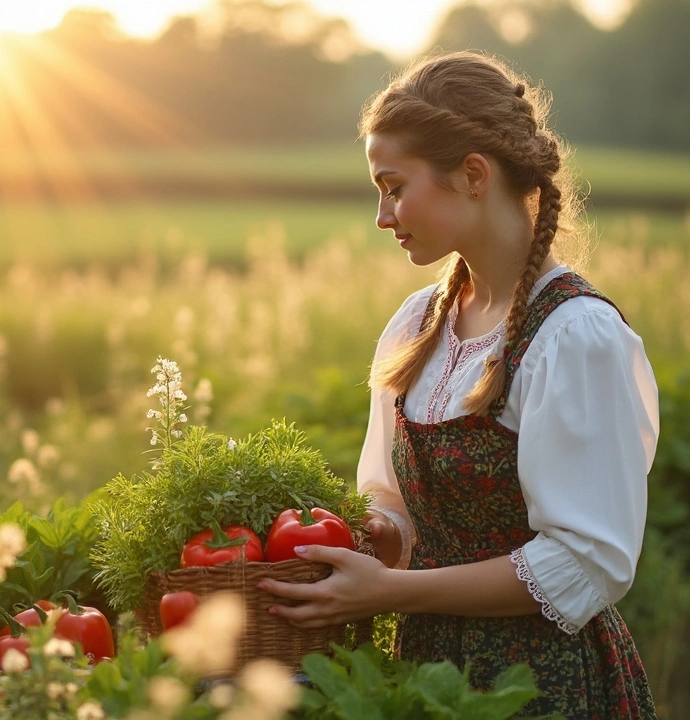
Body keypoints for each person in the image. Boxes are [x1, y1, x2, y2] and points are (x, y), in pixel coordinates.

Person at [257, 51, 660, 719]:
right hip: (424, 676)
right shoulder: (419, 322)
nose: (383, 216)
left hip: (541, 687)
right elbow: (391, 497)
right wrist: (381, 534)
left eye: (393, 186)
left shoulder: (575, 337)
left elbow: (586, 565)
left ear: (473, 174)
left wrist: (388, 591)